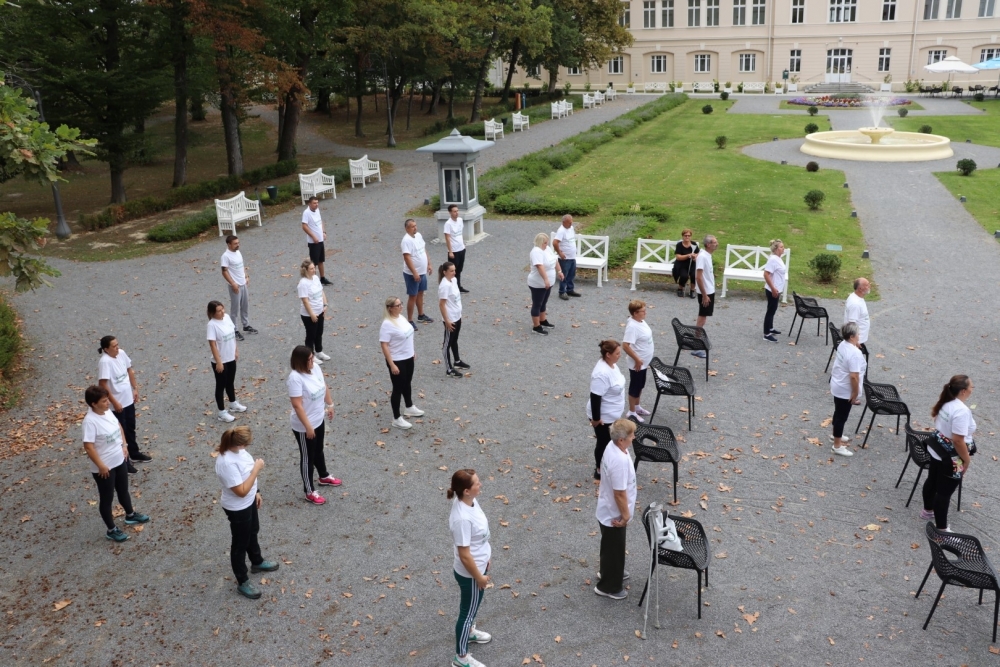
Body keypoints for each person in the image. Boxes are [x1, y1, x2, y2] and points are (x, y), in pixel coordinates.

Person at [214, 426, 279, 600]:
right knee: (240, 544)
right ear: (239, 443)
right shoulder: (226, 463)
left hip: (249, 501)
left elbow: (246, 477)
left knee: (253, 531)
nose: (248, 446)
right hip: (237, 508)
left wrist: (257, 491)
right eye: (247, 443)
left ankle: (257, 562)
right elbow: (241, 491)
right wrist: (257, 469)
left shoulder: (240, 452)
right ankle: (242, 581)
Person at [82, 385, 150, 543]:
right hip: (105, 467)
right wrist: (101, 466)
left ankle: (130, 515)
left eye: (107, 399)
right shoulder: (90, 422)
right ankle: (111, 529)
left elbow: (119, 426)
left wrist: (124, 445)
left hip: (119, 459)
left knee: (123, 490)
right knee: (107, 498)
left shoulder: (107, 412)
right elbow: (88, 446)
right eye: (104, 401)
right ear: (93, 404)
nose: (108, 403)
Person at [448, 469, 492, 667]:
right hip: (471, 575)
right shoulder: (462, 519)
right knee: (466, 615)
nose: (480, 484)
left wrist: (486, 557)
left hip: (479, 567)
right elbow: (465, 555)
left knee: (471, 608)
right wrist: (479, 577)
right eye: (477, 483)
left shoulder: (469, 501)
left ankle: (470, 632)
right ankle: (461, 657)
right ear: (466, 491)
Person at [922, 375, 976, 531]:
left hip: (937, 449)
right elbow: (958, 440)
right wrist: (966, 460)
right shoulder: (962, 411)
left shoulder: (946, 402)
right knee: (944, 493)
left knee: (932, 481)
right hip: (951, 457)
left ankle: (927, 511)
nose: (972, 389)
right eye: (971, 387)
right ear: (964, 391)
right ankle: (941, 530)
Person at [288, 345, 339, 506]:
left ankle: (323, 476)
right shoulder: (295, 378)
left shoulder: (315, 368)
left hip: (318, 418)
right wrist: (308, 427)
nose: (313, 361)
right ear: (301, 362)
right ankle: (309, 491)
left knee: (318, 450)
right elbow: (297, 405)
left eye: (312, 357)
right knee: (307, 457)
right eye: (310, 359)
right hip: (304, 425)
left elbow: (324, 386)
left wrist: (330, 404)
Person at [594, 418, 637, 600]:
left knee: (611, 547)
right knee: (614, 548)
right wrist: (625, 516)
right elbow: (619, 493)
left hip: (607, 507)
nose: (634, 438)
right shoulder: (619, 460)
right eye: (631, 435)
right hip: (615, 513)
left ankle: (609, 571)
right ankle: (609, 586)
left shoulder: (612, 447)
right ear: (621, 440)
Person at [97, 335, 151, 474]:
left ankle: (134, 453)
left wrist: (135, 388)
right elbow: (102, 384)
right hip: (117, 404)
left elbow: (129, 370)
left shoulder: (121, 353)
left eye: (117, 345)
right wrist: (114, 402)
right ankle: (124, 462)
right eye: (114, 346)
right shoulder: (105, 362)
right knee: (121, 432)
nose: (117, 348)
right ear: (106, 349)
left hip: (128, 400)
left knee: (130, 427)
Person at [380, 297, 424, 429]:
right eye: (398, 305)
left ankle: (409, 407)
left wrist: (412, 351)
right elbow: (384, 345)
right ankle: (396, 418)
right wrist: (392, 364)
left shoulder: (401, 318)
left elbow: (408, 336)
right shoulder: (387, 324)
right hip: (397, 359)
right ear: (390, 308)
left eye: (401, 304)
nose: (401, 307)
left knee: (407, 383)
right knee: (398, 388)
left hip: (408, 357)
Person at [587, 340, 626, 480]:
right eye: (617, 353)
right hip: (604, 418)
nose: (620, 355)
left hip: (612, 415)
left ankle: (608, 465)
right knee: (603, 443)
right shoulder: (601, 374)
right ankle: (599, 470)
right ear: (608, 354)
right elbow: (595, 397)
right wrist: (596, 419)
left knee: (610, 442)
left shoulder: (612, 365)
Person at [829, 322, 866, 457]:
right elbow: (854, 376)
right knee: (842, 417)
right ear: (851, 336)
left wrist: (854, 345)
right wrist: (855, 392)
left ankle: (835, 435)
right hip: (845, 389)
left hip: (837, 384)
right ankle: (837, 446)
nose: (859, 336)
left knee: (838, 412)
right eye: (857, 334)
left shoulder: (842, 345)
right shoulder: (855, 354)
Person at [207, 300, 247, 423]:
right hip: (221, 360)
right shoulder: (212, 325)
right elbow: (212, 344)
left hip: (230, 357)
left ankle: (233, 403)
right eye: (219, 311)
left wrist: (236, 350)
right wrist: (219, 362)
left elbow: (232, 335)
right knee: (220, 385)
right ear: (212, 313)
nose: (222, 312)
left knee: (230, 382)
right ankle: (221, 412)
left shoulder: (227, 318)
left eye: (222, 309)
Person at [622, 301, 654, 422]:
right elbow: (625, 345)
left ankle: (637, 406)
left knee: (640, 385)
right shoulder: (632, 327)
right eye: (643, 311)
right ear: (635, 313)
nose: (646, 312)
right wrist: (637, 359)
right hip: (637, 364)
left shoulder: (640, 321)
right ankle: (631, 412)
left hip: (643, 363)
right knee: (635, 387)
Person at [220, 235, 257, 341]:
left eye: (238, 243)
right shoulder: (225, 256)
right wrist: (233, 283)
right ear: (229, 244)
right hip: (235, 286)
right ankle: (234, 329)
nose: (238, 245)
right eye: (235, 243)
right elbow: (224, 271)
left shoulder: (238, 252)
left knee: (245, 305)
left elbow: (242, 265)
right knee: (235, 309)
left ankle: (246, 325)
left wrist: (246, 276)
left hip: (243, 283)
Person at [527, 232, 563, 336]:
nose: (546, 245)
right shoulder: (536, 252)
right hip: (538, 283)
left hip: (549, 282)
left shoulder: (547, 249)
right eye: (545, 243)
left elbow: (555, 260)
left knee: (543, 302)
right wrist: (546, 279)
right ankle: (536, 326)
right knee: (537, 304)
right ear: (539, 242)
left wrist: (559, 271)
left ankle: (542, 320)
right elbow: (540, 266)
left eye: (547, 243)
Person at [439, 261, 469, 378]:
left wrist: (459, 314)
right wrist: (447, 320)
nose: (454, 272)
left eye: (454, 270)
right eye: (451, 271)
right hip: (450, 319)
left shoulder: (454, 280)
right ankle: (449, 369)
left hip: (457, 316)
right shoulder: (444, 286)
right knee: (447, 344)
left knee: (454, 339)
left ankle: (457, 361)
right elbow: (442, 304)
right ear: (444, 272)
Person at [297, 259, 330, 365]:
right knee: (311, 335)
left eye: (314, 268)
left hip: (320, 311)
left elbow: (321, 291)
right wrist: (311, 314)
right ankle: (310, 355)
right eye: (311, 269)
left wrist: (325, 304)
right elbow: (305, 301)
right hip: (309, 315)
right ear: (306, 270)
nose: (314, 270)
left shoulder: (315, 278)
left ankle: (319, 351)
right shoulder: (303, 284)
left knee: (319, 332)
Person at [402, 219, 434, 327]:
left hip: (422, 272)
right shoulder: (406, 241)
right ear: (407, 228)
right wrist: (414, 272)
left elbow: (424, 250)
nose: (415, 228)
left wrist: (429, 264)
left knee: (420, 293)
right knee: (413, 296)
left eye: (415, 225)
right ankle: (410, 320)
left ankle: (421, 315)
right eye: (412, 226)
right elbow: (407, 258)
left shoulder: (418, 235)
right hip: (412, 274)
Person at [692, 235, 719, 358]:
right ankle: (696, 345)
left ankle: (697, 341)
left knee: (703, 317)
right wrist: (704, 295)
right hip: (706, 292)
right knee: (702, 318)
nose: (717, 244)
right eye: (714, 242)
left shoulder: (704, 255)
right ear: (708, 244)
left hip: (709, 290)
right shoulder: (703, 256)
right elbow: (698, 277)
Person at [302, 196, 332, 286]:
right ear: (309, 204)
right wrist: (313, 236)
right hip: (313, 242)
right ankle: (312, 280)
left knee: (320, 260)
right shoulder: (306, 213)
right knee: (313, 263)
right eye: (314, 203)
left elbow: (320, 221)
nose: (316, 204)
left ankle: (322, 278)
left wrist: (323, 232)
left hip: (320, 240)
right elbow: (304, 226)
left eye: (317, 203)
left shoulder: (317, 210)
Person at [762, 239, 787, 343]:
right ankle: (766, 334)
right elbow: (766, 274)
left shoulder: (778, 258)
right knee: (771, 311)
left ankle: (770, 328)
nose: (783, 248)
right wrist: (773, 288)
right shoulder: (773, 260)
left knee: (773, 309)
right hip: (773, 290)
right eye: (781, 247)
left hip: (777, 289)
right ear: (776, 249)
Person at [552, 214, 581, 300]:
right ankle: (562, 291)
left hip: (572, 256)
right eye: (569, 223)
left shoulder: (571, 228)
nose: (571, 224)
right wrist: (559, 252)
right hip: (565, 258)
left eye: (571, 222)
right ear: (564, 222)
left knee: (571, 274)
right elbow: (555, 242)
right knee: (564, 275)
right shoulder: (561, 231)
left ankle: (570, 289)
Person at [844, 278, 871, 363]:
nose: (869, 286)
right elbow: (851, 324)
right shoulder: (855, 304)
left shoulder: (857, 298)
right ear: (860, 288)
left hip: (856, 340)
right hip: (855, 342)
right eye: (867, 285)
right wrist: (855, 342)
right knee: (854, 363)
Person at [444, 205, 470, 293]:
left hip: (461, 249)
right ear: (450, 212)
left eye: (457, 211)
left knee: (459, 270)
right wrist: (450, 251)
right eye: (454, 211)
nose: (456, 213)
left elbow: (460, 233)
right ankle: (450, 287)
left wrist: (463, 245)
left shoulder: (460, 220)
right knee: (452, 271)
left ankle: (458, 286)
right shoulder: (448, 224)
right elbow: (447, 238)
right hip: (454, 251)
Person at [672, 229, 699, 298]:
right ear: (682, 236)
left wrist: (694, 256)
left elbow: (697, 254)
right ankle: (680, 288)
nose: (687, 237)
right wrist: (688, 255)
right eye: (685, 235)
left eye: (689, 236)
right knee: (684, 276)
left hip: (692, 264)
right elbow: (678, 257)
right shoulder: (679, 245)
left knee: (694, 275)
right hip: (681, 264)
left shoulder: (694, 244)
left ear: (691, 236)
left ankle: (692, 290)